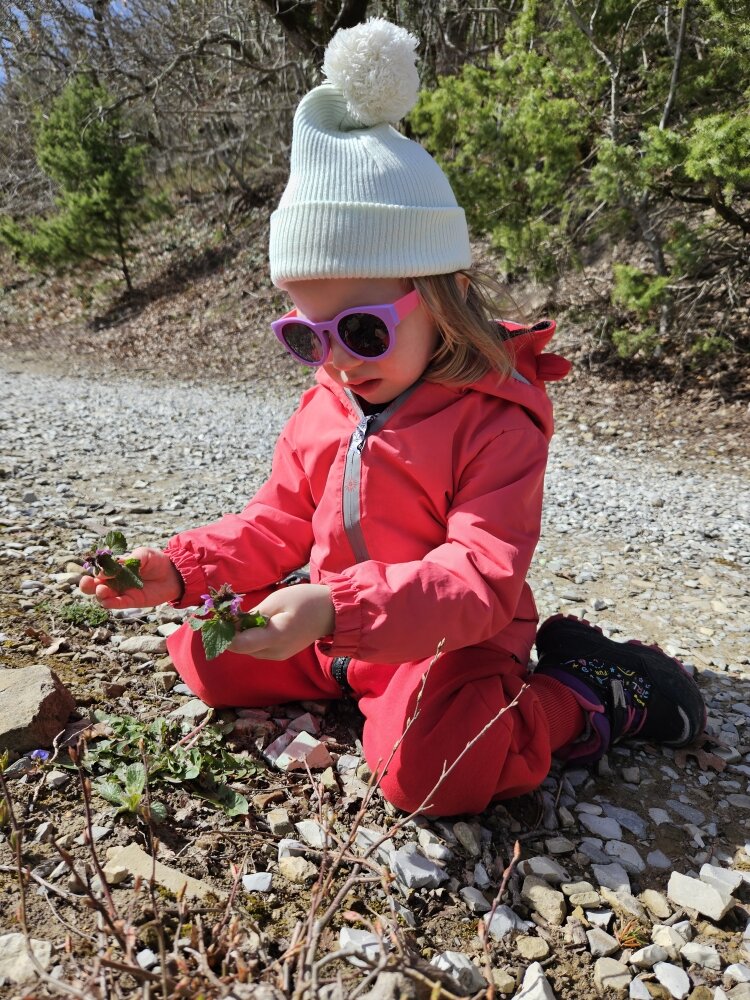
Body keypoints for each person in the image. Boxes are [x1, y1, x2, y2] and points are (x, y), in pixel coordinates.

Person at [80, 19, 705, 816]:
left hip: (453, 637)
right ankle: (350, 673)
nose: (338, 359)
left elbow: (478, 581)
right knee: (202, 654)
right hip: (342, 627)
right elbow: (274, 524)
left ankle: (589, 691)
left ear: (439, 299)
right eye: (306, 336)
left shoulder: (496, 421)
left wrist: (338, 610)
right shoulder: (327, 401)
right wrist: (181, 570)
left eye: (365, 329)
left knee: (435, 774)